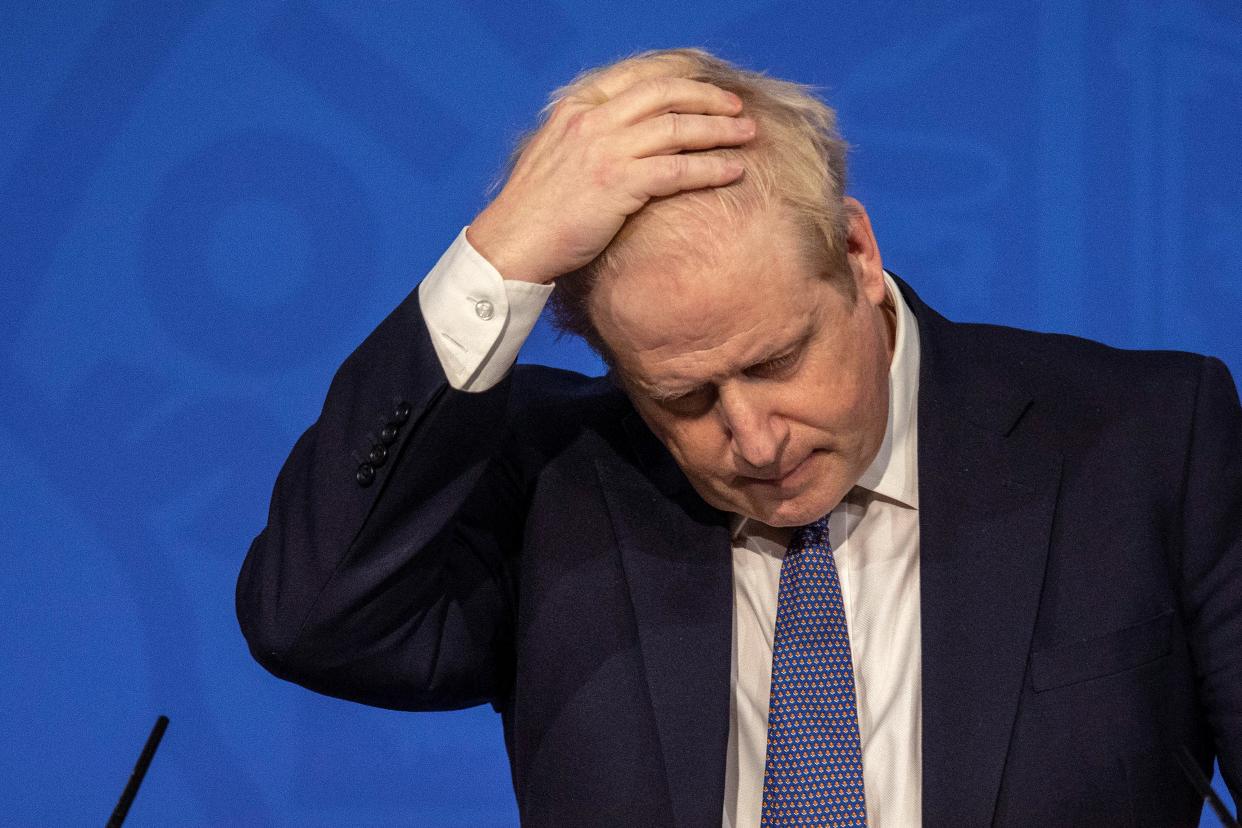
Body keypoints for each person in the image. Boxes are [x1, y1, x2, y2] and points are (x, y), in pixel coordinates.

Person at [237, 48, 1242, 826]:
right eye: (681, 395)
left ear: (856, 253)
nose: (752, 439)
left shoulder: (1148, 439)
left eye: (775, 362)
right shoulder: (558, 486)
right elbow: (314, 618)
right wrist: (500, 255)